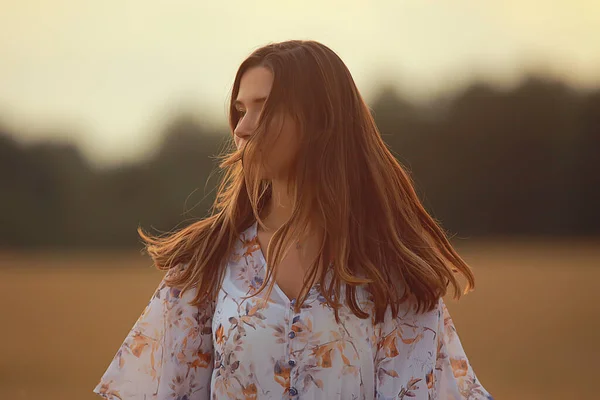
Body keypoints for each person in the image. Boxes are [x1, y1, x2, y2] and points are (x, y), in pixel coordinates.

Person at [93, 40, 493, 400]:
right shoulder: (206, 265)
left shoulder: (391, 273)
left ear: (320, 119)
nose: (242, 128)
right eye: (240, 110)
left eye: (263, 107)